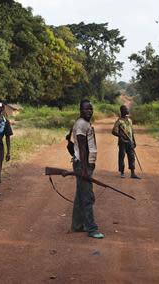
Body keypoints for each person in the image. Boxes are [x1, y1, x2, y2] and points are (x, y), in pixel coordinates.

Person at [71, 100, 104, 239]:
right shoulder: (81, 124)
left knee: (80, 196)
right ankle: (92, 228)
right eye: (86, 109)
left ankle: (78, 225)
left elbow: (70, 139)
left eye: (91, 109)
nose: (89, 111)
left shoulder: (82, 123)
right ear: (80, 110)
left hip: (84, 164)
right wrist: (84, 170)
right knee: (88, 197)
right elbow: (83, 148)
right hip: (83, 165)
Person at [112, 105, 141, 179]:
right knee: (122, 157)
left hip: (130, 142)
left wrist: (134, 141)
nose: (127, 111)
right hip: (122, 142)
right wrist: (120, 136)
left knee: (132, 157)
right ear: (122, 111)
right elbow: (113, 131)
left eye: (127, 109)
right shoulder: (119, 121)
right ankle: (122, 172)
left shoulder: (130, 120)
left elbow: (132, 132)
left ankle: (133, 173)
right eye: (126, 109)